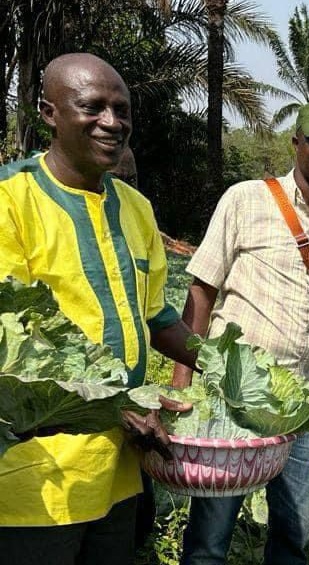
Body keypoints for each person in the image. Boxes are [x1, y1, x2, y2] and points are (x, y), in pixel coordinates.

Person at [0, 52, 196, 565]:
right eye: (92, 107)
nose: (112, 123)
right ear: (49, 112)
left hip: (121, 470)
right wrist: (114, 406)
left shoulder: (136, 208)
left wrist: (227, 363)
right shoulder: (10, 201)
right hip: (35, 475)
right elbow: (15, 346)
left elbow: (157, 318)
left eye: (122, 109)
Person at [173, 96, 309, 565]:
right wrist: (180, 387)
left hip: (299, 405)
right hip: (229, 398)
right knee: (210, 539)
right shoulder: (246, 199)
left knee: (293, 534)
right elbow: (202, 292)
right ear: (296, 141)